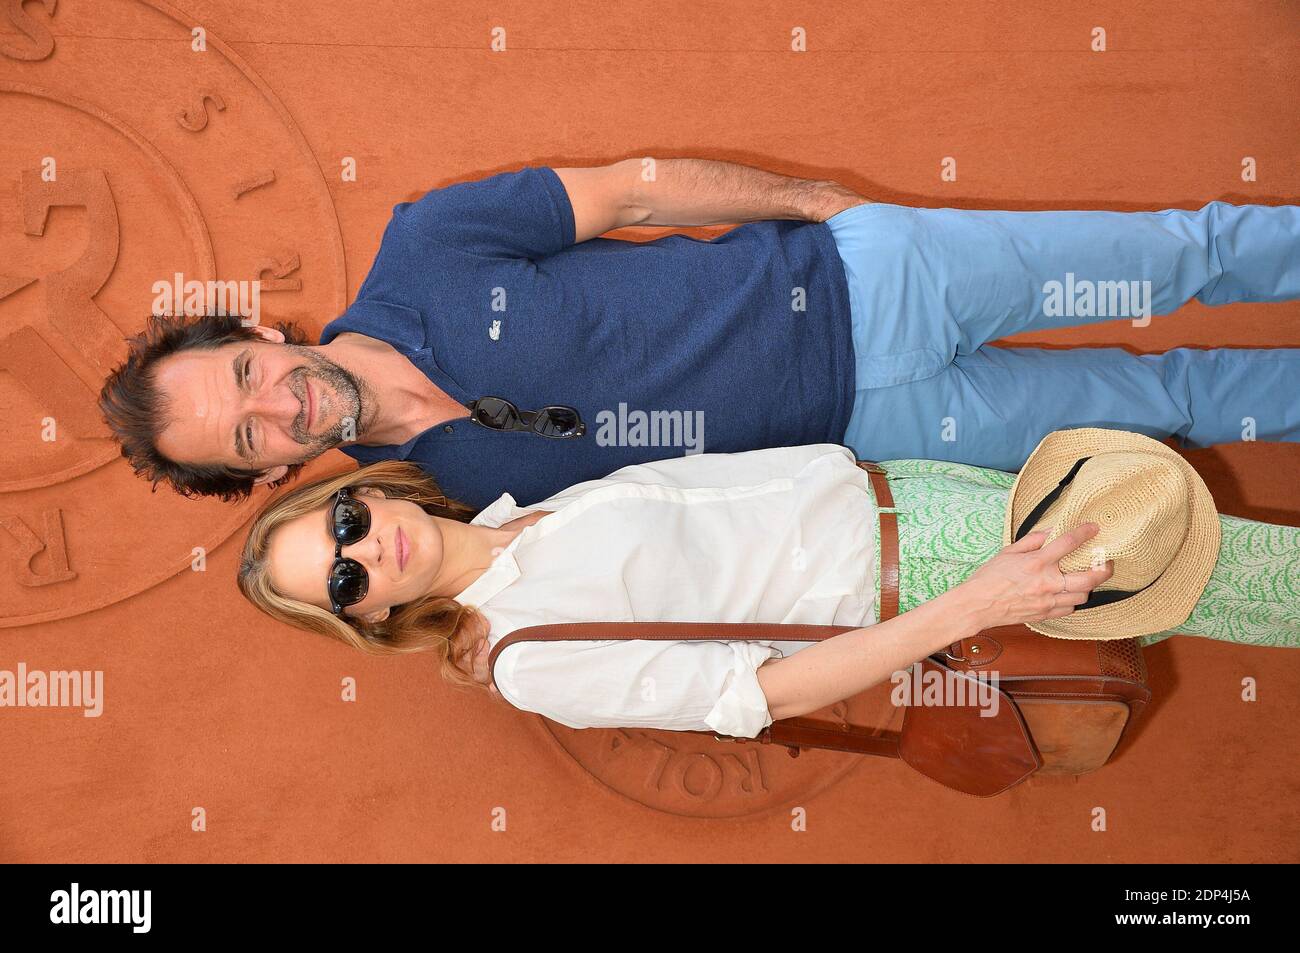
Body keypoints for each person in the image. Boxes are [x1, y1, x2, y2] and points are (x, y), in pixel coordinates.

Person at [99, 159, 1300, 509]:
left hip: (873, 282)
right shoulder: (421, 508)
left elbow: (630, 190)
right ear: (260, 473)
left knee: (1181, 254)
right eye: (250, 433)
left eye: (248, 372)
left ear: (257, 326)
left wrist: (818, 206)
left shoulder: (426, 245)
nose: (281, 404)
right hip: (877, 428)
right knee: (1171, 408)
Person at [235, 429, 1299, 739]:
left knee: (1223, 556)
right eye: (341, 578)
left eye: (344, 523)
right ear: (367, 617)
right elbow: (758, 694)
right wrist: (972, 601)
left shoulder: (523, 514)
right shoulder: (528, 657)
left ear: (368, 492)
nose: (364, 549)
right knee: (1240, 572)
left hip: (912, 492)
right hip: (921, 571)